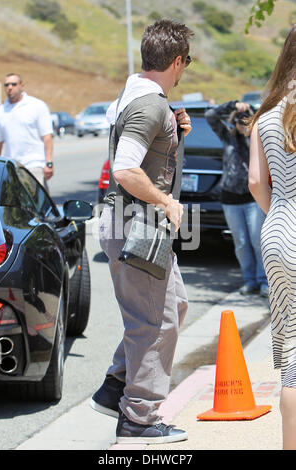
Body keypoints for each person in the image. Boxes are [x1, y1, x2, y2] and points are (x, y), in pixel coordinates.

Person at [90, 19, 193, 445]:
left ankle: (115, 386)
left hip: (134, 227)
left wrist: (174, 129)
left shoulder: (140, 97)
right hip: (137, 228)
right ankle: (140, 418)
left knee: (175, 308)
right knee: (155, 322)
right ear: (175, 61)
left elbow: (144, 150)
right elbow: (126, 168)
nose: (185, 68)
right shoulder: (149, 105)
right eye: (186, 62)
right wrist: (167, 201)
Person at [248, 25, 296, 450]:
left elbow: (255, 183)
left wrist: (280, 214)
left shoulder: (265, 113)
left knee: (295, 355)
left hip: (278, 233)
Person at [205, 100, 268, 297]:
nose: (244, 125)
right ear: (235, 122)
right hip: (230, 199)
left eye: (248, 121)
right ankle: (249, 281)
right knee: (240, 243)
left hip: (253, 198)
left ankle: (264, 281)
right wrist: (233, 105)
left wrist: (251, 110)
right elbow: (210, 115)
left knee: (258, 241)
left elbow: (266, 116)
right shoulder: (228, 136)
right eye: (240, 121)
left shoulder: (259, 138)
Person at [0, 73, 54, 190]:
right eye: (6, 85)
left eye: (14, 84)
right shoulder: (1, 112)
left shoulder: (36, 106)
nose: (10, 87)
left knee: (38, 205)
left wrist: (49, 163)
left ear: (22, 86)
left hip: (34, 165)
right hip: (12, 168)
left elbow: (47, 137)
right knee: (13, 206)